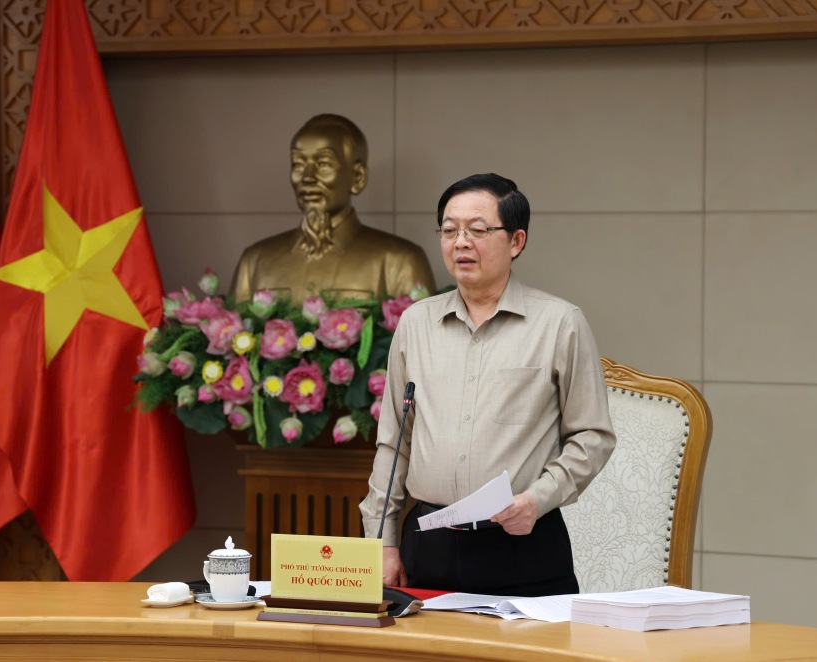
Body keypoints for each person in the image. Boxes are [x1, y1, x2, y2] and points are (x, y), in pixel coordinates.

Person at [359, 173, 616, 597]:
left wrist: (537, 498)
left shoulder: (559, 324)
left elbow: (593, 436)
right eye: (449, 230)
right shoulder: (416, 324)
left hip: (522, 543)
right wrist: (382, 541)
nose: (461, 242)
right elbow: (393, 442)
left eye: (477, 230)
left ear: (516, 241)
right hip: (429, 546)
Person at [230, 114, 435, 302]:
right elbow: (232, 339)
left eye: (323, 164)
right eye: (299, 164)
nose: (308, 178)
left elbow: (422, 341)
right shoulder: (255, 262)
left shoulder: (400, 262)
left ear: (358, 178)